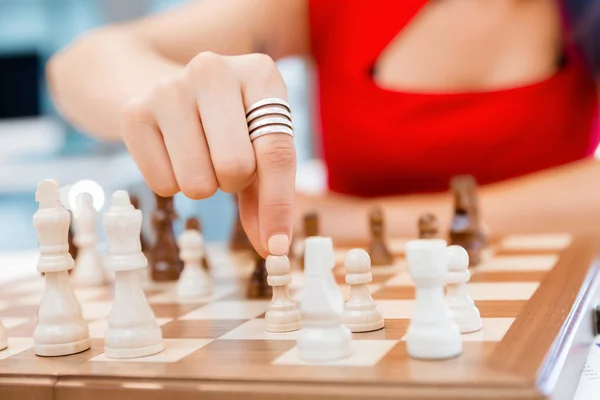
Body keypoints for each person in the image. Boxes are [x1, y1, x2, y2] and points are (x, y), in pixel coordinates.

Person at [46, 0, 600, 255]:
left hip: (556, 320)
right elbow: (80, 63)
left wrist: (345, 220)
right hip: (346, 308)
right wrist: (162, 93)